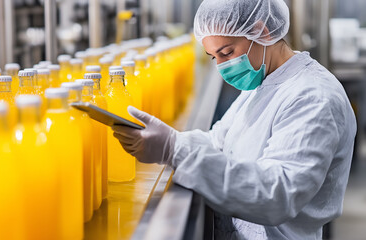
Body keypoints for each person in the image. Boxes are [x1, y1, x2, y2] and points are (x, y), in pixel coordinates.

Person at [111, 0, 357, 239]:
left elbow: (277, 196)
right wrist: (170, 140)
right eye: (213, 57)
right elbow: (220, 140)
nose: (221, 66)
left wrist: (174, 150)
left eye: (227, 52)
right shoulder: (261, 85)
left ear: (261, 31)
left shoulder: (313, 96)